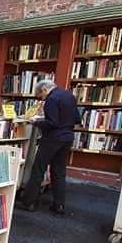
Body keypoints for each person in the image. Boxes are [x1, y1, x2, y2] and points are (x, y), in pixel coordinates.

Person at [18, 78, 80, 214]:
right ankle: (59, 205)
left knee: (38, 168)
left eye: (41, 96)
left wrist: (36, 122)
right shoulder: (69, 95)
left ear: (45, 89)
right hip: (68, 137)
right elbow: (77, 119)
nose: (42, 99)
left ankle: (29, 202)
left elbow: (52, 123)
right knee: (59, 171)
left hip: (52, 138)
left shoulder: (51, 99)